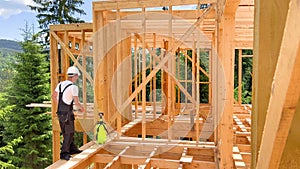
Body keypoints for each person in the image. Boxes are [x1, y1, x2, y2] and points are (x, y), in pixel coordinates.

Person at [51, 66, 85, 160]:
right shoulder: (74, 87)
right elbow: (76, 102)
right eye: (77, 76)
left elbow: (54, 96)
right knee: (69, 133)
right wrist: (82, 109)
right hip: (67, 114)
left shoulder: (61, 84)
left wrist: (60, 104)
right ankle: (64, 153)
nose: (77, 78)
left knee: (66, 132)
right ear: (74, 76)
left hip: (60, 112)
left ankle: (72, 148)